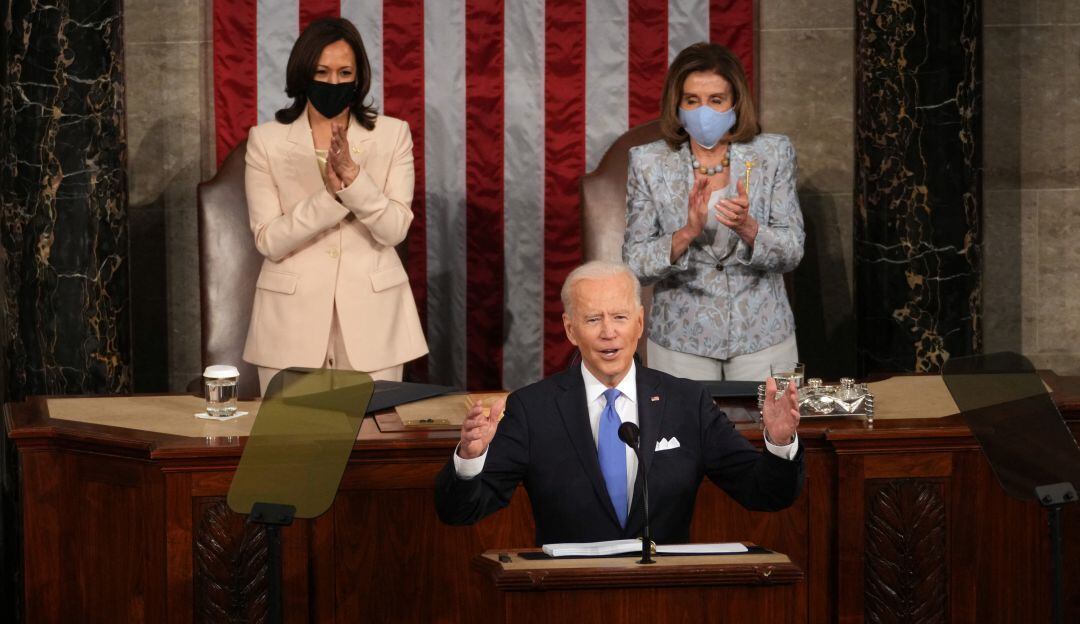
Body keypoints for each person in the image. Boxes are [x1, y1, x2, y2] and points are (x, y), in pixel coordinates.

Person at [434, 261, 803, 546]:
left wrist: (780, 443)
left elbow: (765, 493)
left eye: (620, 317)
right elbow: (461, 511)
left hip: (666, 599)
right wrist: (469, 459)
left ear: (640, 323)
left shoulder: (687, 402)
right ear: (569, 329)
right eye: (593, 319)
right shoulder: (533, 410)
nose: (608, 332)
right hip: (568, 599)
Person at [242, 18, 427, 395]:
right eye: (322, 72)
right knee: (293, 449)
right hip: (289, 328)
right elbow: (269, 240)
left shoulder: (393, 135)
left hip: (376, 325)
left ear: (359, 79)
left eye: (345, 72)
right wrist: (330, 198)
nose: (333, 82)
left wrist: (355, 181)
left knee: (372, 447)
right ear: (302, 73)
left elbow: (394, 229)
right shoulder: (266, 141)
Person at [623, 42, 805, 381]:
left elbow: (792, 251)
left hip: (763, 337)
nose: (703, 111)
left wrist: (749, 229)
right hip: (681, 341)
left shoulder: (773, 154)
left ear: (735, 101)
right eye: (692, 100)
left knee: (773, 434)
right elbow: (635, 265)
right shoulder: (648, 162)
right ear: (677, 104)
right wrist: (685, 234)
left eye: (716, 100)